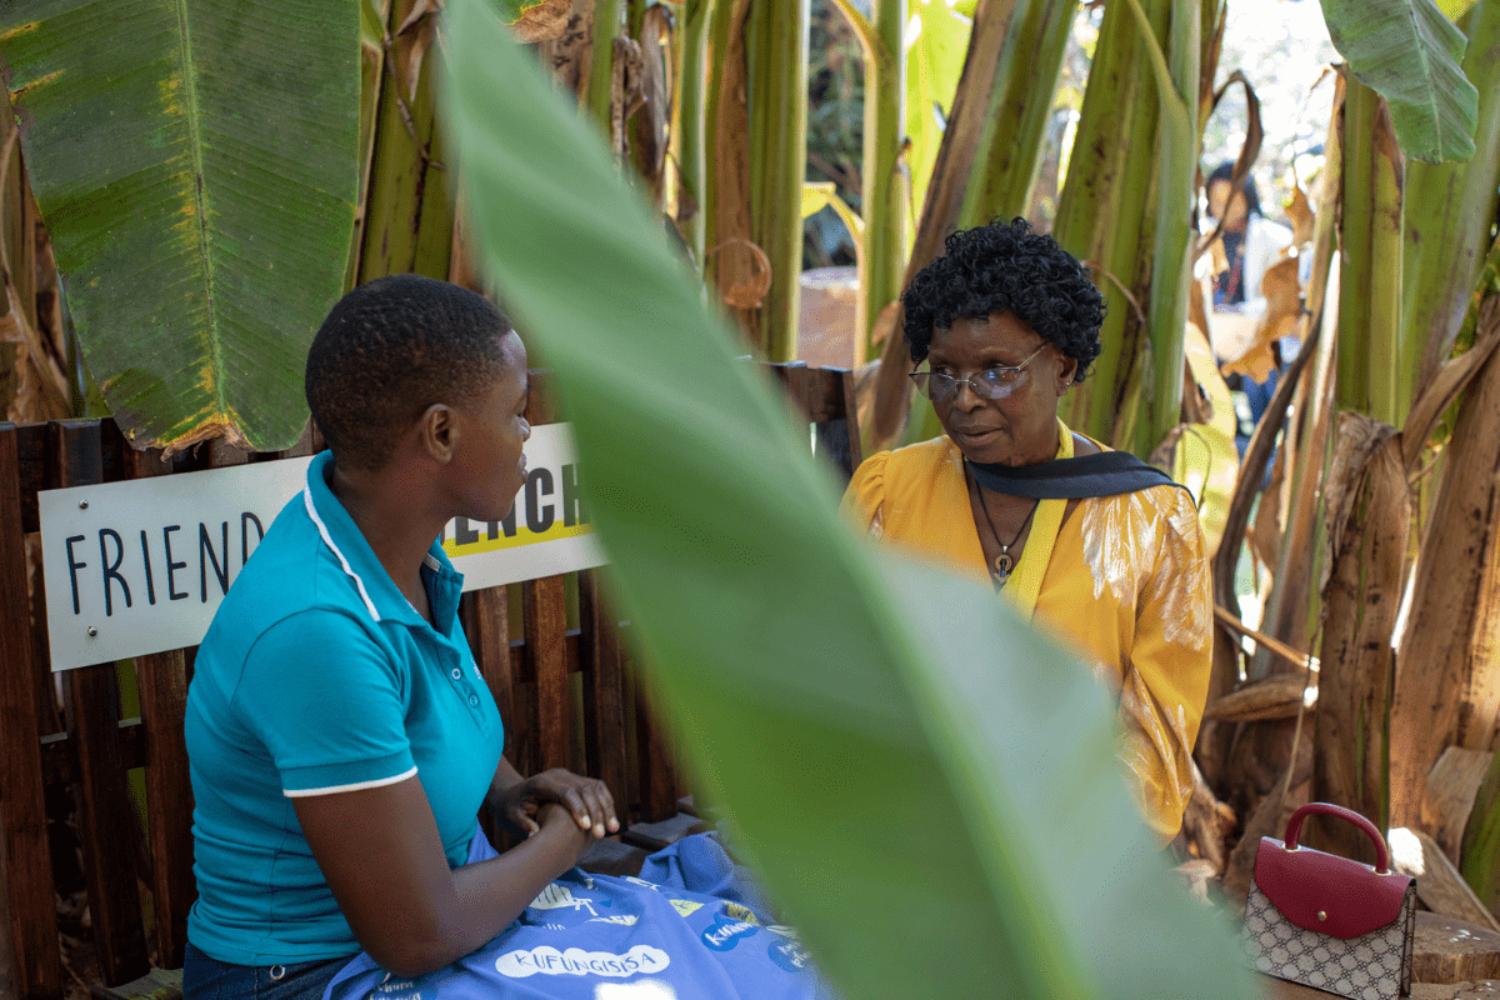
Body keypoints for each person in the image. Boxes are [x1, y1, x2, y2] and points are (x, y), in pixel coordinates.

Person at [183, 275, 618, 999]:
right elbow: (417, 935)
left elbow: (420, 720)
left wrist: (509, 789)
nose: (527, 433)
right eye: (515, 410)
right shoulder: (319, 629)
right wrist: (564, 840)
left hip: (437, 920)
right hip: (307, 976)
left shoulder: (398, 551)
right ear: (441, 433)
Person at [843, 219, 1213, 841]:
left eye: (996, 370)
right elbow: (839, 676)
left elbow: (1156, 742)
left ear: (1062, 368)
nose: (964, 400)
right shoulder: (888, 495)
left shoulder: (1151, 521)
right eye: (944, 372)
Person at [1204, 162, 1295, 459]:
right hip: (1212, 341)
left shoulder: (1274, 238)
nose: (1225, 208)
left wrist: (1239, 311)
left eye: (1232, 199)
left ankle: (1265, 449)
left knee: (1261, 374)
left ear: (1247, 197)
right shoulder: (1203, 241)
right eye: (1217, 201)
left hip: (1258, 336)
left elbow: (1280, 299)